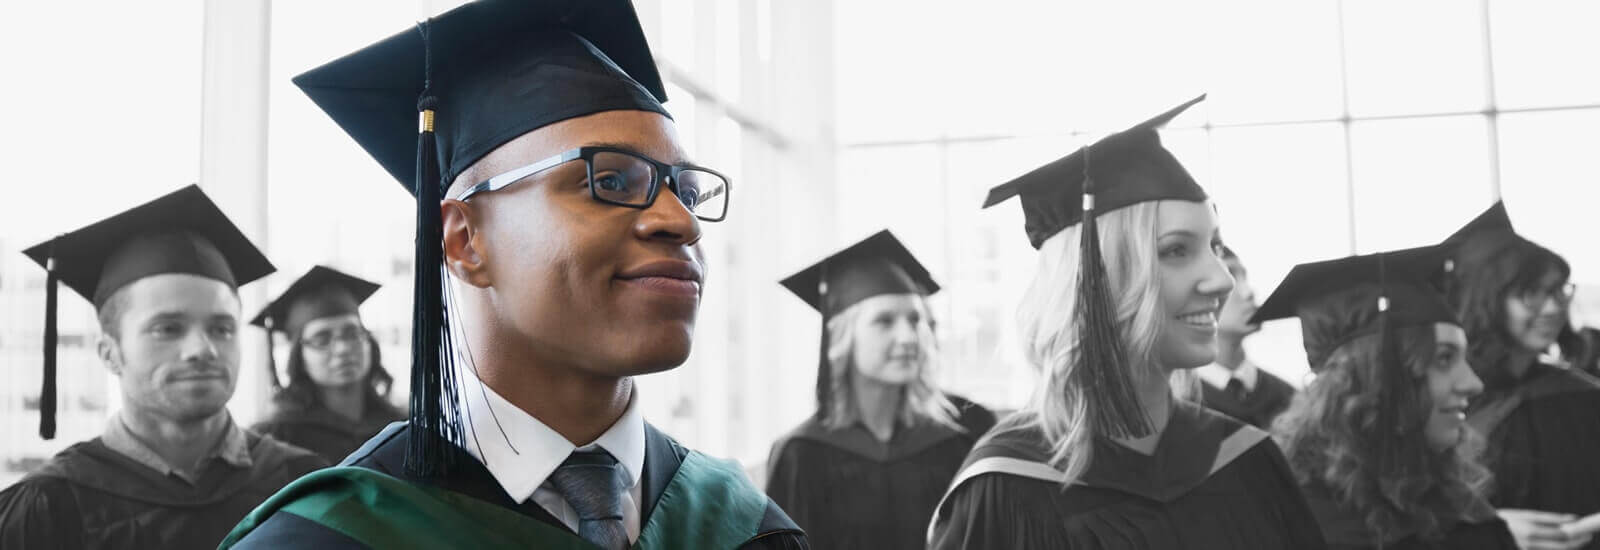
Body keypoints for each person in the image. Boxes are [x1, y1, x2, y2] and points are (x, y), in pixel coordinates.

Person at [221, 1, 805, 548]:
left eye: (688, 190)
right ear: (464, 240)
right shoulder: (333, 536)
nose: (682, 222)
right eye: (611, 181)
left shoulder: (743, 528)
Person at [927, 95, 1324, 549]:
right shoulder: (1009, 485)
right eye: (1177, 250)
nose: (1219, 280)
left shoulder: (1246, 460)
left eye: (1214, 246)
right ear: (1101, 279)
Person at [0, 185, 328, 549]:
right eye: (168, 329)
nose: (203, 349)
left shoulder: (305, 483)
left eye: (221, 328)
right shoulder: (46, 508)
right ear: (109, 353)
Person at [1259, 246, 1520, 549]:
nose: (1473, 383)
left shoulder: (1465, 514)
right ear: (1374, 377)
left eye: (1465, 358)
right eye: (1444, 359)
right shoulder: (1288, 521)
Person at [766, 229, 996, 550]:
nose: (908, 337)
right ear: (843, 338)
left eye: (915, 320)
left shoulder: (964, 432)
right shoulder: (800, 455)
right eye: (885, 321)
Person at [1444, 202, 1600, 550]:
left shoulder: (1580, 396)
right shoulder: (1445, 399)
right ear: (1489, 299)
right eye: (1532, 294)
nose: (1553, 306)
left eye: (1559, 289)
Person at [249, 266, 406, 463]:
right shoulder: (276, 438)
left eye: (352, 333)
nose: (342, 348)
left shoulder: (402, 427)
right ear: (299, 356)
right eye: (322, 339)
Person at [1196, 245, 1295, 429]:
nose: (1249, 292)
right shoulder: (1177, 404)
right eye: (1231, 276)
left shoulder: (1289, 397)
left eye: (1244, 277)